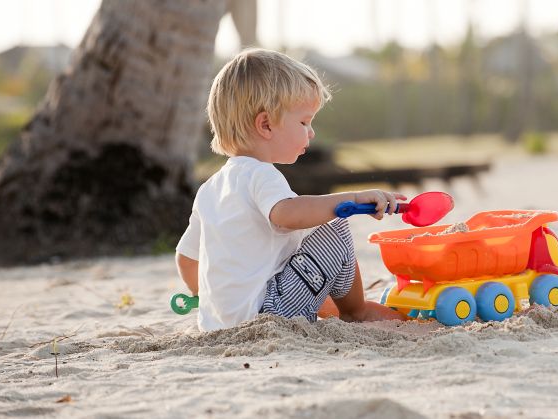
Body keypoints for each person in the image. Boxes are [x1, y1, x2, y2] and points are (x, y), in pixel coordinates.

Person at [175, 49, 408, 332]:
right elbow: (287, 214)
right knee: (335, 227)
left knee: (297, 242)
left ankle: (326, 302)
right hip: (268, 314)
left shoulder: (211, 188)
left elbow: (187, 258)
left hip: (217, 324)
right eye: (304, 122)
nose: (311, 132)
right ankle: (356, 310)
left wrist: (207, 299)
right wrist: (352, 198)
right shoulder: (261, 174)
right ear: (265, 125)